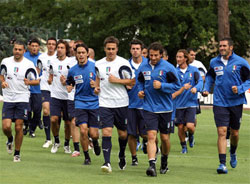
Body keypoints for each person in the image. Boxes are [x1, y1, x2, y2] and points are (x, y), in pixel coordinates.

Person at [203, 37, 250, 174]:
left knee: (234, 133)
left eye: (224, 46)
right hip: (219, 101)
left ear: (231, 47)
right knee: (222, 131)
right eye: (220, 46)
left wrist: (240, 88)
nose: (222, 48)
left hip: (236, 102)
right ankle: (222, 164)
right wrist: (206, 88)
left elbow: (249, 79)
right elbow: (210, 76)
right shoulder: (214, 62)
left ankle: (233, 152)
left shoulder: (241, 62)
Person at [137, 42, 181, 177]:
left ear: (161, 55)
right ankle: (152, 165)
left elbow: (177, 86)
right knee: (151, 136)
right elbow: (139, 81)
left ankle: (164, 161)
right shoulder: (143, 67)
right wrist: (140, 91)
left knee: (165, 138)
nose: (153, 58)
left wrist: (162, 85)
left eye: (156, 55)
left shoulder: (168, 68)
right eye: (151, 55)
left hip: (166, 109)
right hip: (149, 107)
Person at [95, 36, 135, 173]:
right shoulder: (98, 64)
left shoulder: (123, 63)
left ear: (117, 49)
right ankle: (107, 162)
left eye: (113, 49)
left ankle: (122, 154)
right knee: (106, 132)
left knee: (123, 134)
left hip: (121, 102)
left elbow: (132, 82)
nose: (111, 51)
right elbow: (97, 79)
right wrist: (96, 87)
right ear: (104, 49)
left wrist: (117, 80)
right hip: (104, 102)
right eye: (108, 49)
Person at [0, 41, 40, 162]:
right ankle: (10, 139)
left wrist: (29, 82)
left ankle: (17, 153)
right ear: (13, 50)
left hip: (22, 98)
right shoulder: (6, 61)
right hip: (8, 98)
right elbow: (1, 75)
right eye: (15, 49)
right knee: (6, 127)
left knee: (19, 127)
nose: (17, 52)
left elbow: (37, 81)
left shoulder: (28, 64)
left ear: (24, 51)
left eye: (20, 50)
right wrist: (2, 82)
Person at [66, 43, 101, 165]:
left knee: (94, 133)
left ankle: (95, 142)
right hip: (80, 103)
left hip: (94, 103)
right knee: (83, 130)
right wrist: (69, 87)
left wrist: (96, 86)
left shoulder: (96, 67)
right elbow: (69, 82)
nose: (80, 55)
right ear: (75, 54)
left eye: (83, 52)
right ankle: (86, 157)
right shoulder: (73, 70)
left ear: (87, 54)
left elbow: (102, 83)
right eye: (78, 53)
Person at [173, 49, 203, 154]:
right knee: (180, 127)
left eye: (180, 57)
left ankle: (191, 135)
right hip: (178, 104)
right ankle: (183, 147)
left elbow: (200, 82)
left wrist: (196, 88)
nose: (178, 59)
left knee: (190, 126)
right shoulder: (174, 71)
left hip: (191, 103)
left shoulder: (194, 70)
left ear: (185, 58)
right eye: (177, 57)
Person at [48, 40, 72, 154]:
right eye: (58, 47)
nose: (60, 49)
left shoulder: (71, 62)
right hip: (55, 95)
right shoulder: (52, 62)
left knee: (68, 123)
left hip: (68, 97)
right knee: (53, 119)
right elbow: (51, 74)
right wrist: (50, 79)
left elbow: (73, 79)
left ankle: (67, 144)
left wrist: (66, 82)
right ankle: (56, 141)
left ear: (66, 50)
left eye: (62, 47)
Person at [127, 39, 148, 166]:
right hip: (129, 104)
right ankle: (134, 157)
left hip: (146, 105)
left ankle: (147, 144)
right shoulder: (125, 64)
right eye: (133, 48)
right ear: (130, 50)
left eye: (137, 49)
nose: (135, 51)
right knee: (131, 133)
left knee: (146, 134)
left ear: (141, 50)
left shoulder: (148, 64)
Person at [38, 37, 57, 148]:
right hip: (44, 87)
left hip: (56, 89)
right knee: (46, 110)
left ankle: (56, 138)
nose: (50, 46)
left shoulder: (58, 58)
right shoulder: (42, 57)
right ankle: (48, 139)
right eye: (49, 44)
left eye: (53, 44)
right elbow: (38, 71)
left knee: (56, 116)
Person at [23, 38, 43, 137]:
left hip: (38, 89)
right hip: (26, 89)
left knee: (37, 111)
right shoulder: (24, 56)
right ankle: (28, 126)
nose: (34, 48)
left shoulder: (42, 58)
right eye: (32, 46)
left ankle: (32, 128)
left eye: (36, 46)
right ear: (29, 46)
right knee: (27, 110)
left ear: (39, 47)